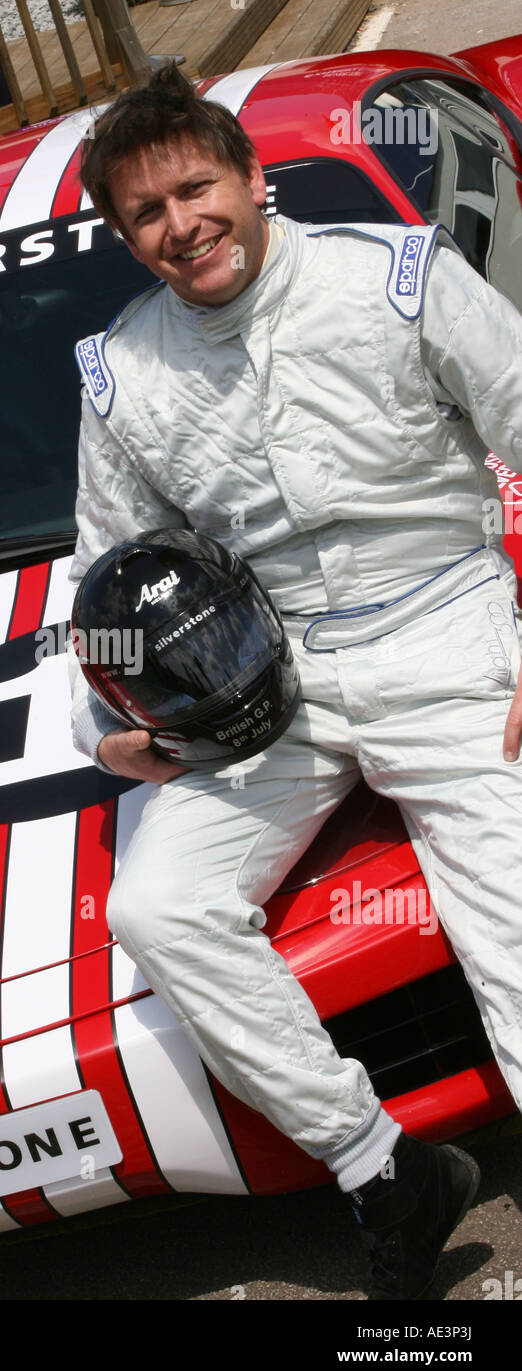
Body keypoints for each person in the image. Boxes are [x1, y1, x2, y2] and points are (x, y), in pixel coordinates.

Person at [68, 62, 522, 1300]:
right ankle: (382, 1170)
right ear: (125, 236)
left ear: (251, 178)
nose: (180, 226)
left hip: (445, 631)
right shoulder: (119, 371)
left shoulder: (397, 273)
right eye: (146, 214)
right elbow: (101, 569)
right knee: (157, 908)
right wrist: (102, 723)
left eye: (195, 188)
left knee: (512, 943)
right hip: (265, 683)